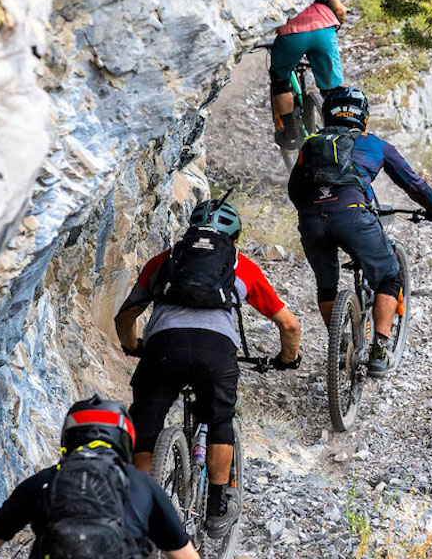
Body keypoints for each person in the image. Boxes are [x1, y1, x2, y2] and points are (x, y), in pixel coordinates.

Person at [114, 198, 301, 538]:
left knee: (146, 424)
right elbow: (289, 325)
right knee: (218, 420)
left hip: (164, 348)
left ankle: (139, 508)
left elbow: (126, 315)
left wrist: (132, 346)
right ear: (235, 238)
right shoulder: (241, 266)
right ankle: (215, 506)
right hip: (215, 351)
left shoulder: (164, 261)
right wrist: (287, 359)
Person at [288, 86, 432, 376]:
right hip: (352, 217)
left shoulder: (311, 143)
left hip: (311, 220)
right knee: (388, 275)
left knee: (327, 285)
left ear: (326, 114)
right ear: (364, 117)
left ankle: (340, 342)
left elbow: (294, 189)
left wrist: (315, 210)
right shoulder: (375, 145)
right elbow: (414, 185)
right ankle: (379, 352)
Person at [0, 395, 197, 559]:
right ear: (124, 440)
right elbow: (185, 556)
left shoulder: (41, 482)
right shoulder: (141, 485)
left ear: (69, 437)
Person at [270, 0, 347, 150]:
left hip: (291, 34)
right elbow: (340, 10)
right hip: (324, 30)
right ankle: (341, 131)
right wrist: (333, 30)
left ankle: (289, 134)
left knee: (280, 80)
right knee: (332, 87)